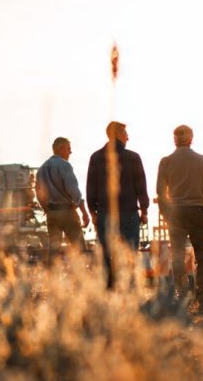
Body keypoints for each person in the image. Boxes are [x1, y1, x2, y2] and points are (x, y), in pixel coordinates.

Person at [156, 125, 203, 312]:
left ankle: (182, 298)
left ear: (174, 140)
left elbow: (160, 192)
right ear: (191, 139)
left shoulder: (166, 162)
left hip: (177, 213)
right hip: (198, 212)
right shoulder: (202, 161)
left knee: (177, 256)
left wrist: (167, 214)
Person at [86, 121, 149, 287]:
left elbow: (90, 188)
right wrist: (144, 211)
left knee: (106, 254)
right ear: (120, 134)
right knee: (130, 252)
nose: (128, 137)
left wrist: (93, 213)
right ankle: (128, 289)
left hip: (105, 214)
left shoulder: (96, 157)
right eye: (126, 133)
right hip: (129, 213)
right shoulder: (133, 157)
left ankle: (108, 291)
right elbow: (141, 186)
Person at [35, 137, 90, 262]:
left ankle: (51, 277)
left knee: (53, 250)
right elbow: (73, 190)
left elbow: (38, 193)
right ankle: (83, 276)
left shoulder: (41, 169)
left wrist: (46, 209)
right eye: (68, 149)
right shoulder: (64, 165)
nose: (70, 152)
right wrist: (84, 212)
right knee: (80, 247)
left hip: (51, 214)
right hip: (67, 212)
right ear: (61, 149)